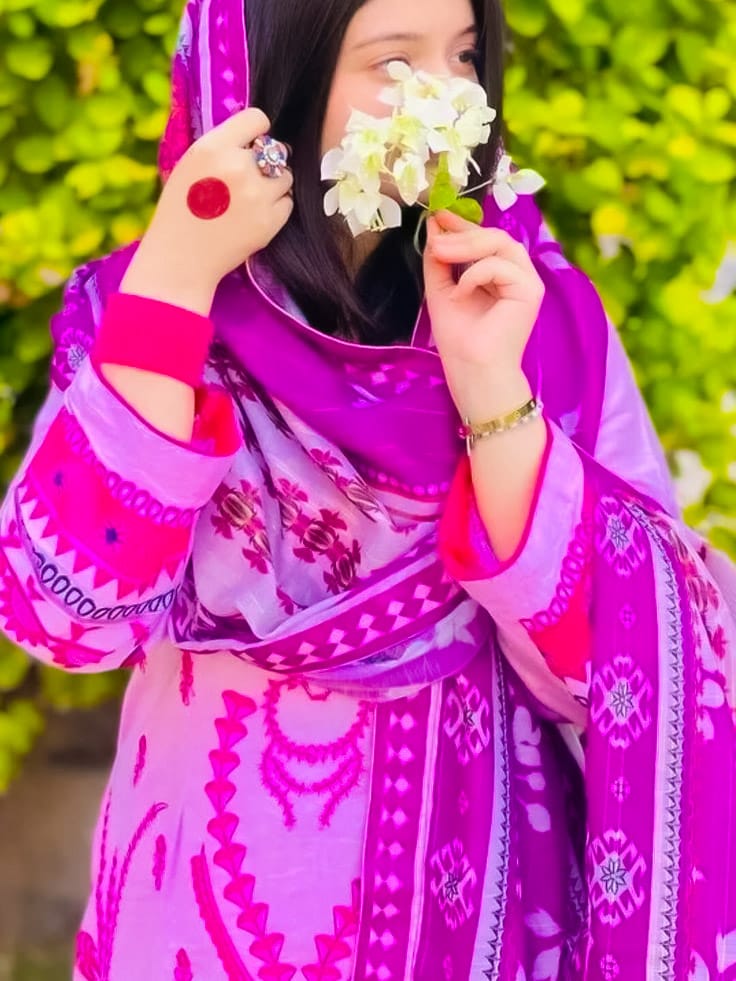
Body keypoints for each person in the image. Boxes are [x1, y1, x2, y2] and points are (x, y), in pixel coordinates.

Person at [1, 0, 735, 976]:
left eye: (465, 54)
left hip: (489, 914)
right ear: (268, 89)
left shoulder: (525, 309)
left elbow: (627, 660)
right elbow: (66, 619)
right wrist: (178, 278)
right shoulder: (154, 312)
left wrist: (491, 396)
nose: (448, 95)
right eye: (393, 63)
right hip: (208, 916)